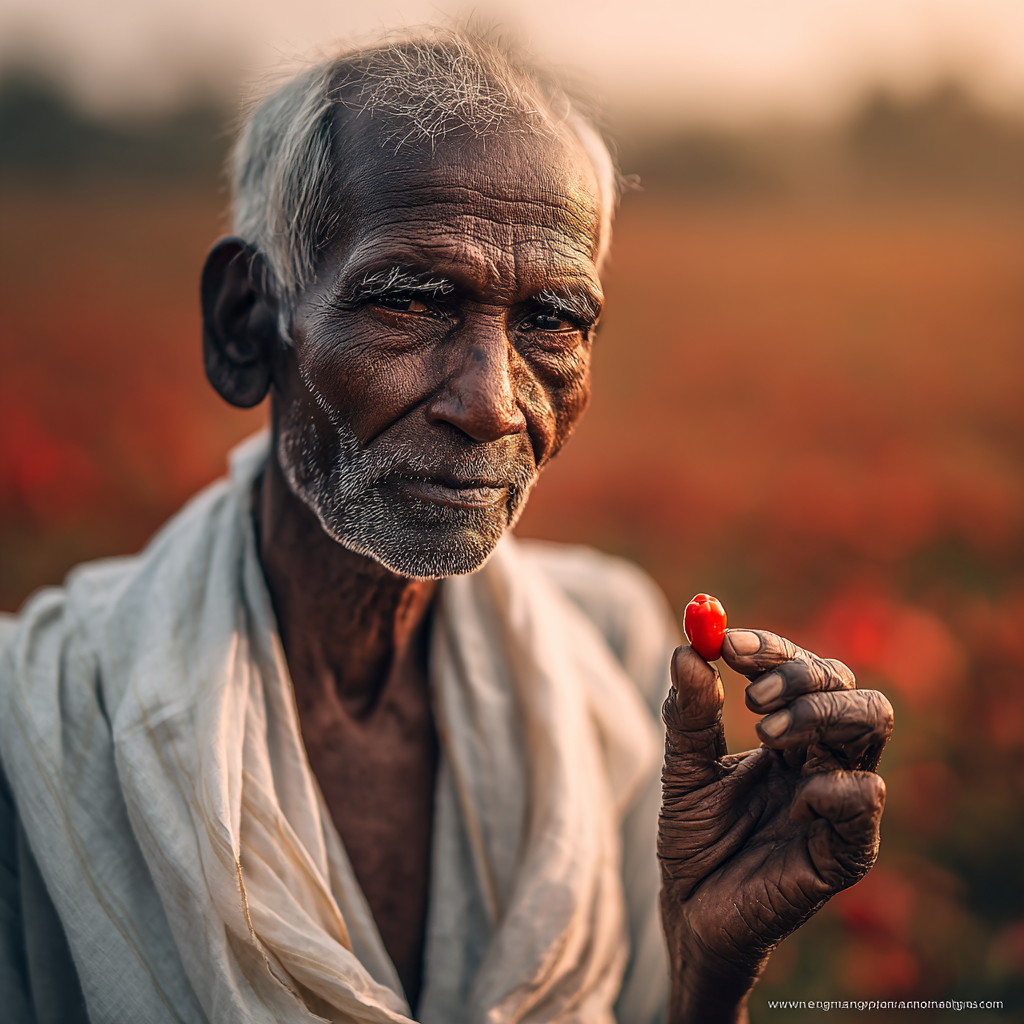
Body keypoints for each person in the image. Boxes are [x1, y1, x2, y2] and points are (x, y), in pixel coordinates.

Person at [0, 27, 893, 1024]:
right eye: (413, 303)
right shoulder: (39, 721)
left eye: (552, 318)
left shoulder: (611, 657)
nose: (493, 403)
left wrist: (708, 965)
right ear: (248, 323)